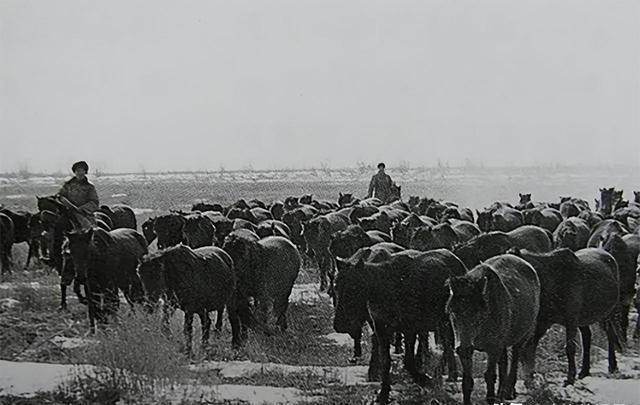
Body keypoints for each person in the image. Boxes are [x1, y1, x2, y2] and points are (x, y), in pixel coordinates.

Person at [56, 160, 99, 228]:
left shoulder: (89, 187)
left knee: (87, 229)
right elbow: (60, 195)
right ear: (75, 172)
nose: (80, 173)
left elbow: (94, 202)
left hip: (83, 214)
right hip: (67, 212)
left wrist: (81, 208)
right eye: (77, 171)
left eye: (82, 171)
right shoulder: (68, 185)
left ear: (85, 172)